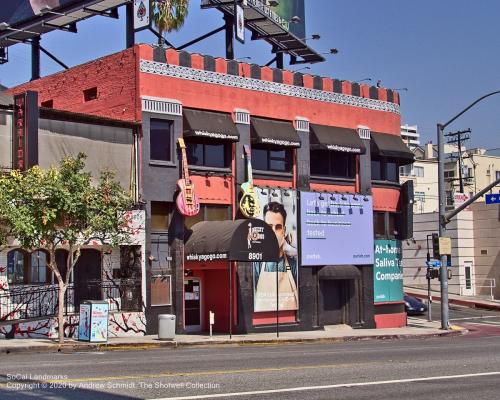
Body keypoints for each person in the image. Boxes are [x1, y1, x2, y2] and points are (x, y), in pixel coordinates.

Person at [253, 201, 298, 312]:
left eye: (278, 227)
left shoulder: (294, 265)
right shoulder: (256, 265)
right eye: (269, 227)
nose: (273, 232)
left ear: (284, 231)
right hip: (263, 322)